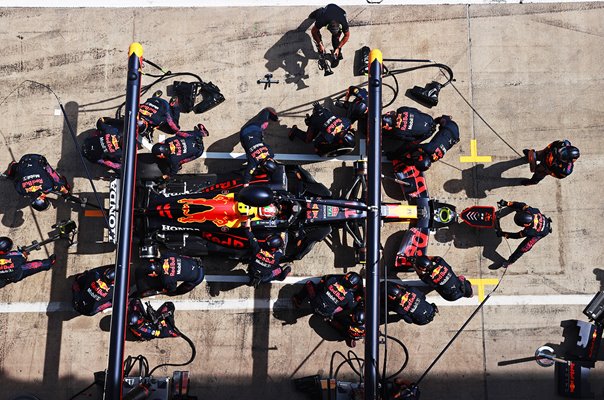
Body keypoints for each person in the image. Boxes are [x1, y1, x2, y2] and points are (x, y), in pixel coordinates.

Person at [494, 200, 552, 269]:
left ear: (525, 225)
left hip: (542, 232)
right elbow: (521, 205)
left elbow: (517, 236)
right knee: (519, 207)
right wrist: (507, 203)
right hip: (542, 219)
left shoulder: (529, 231)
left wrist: (503, 234)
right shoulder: (532, 210)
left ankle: (510, 262)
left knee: (524, 248)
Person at [3, 154, 71, 211]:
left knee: (60, 182)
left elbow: (61, 188)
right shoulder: (21, 191)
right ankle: (13, 166)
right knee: (14, 174)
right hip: (24, 160)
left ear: (42, 197)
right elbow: (16, 179)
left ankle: (14, 167)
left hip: (37, 159)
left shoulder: (48, 186)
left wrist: (66, 193)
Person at [289, 102, 355, 157]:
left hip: (325, 111)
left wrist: (352, 130)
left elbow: (351, 126)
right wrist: (317, 149)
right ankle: (294, 131)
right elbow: (317, 142)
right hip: (315, 119)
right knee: (307, 139)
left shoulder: (346, 123)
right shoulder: (328, 137)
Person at [292, 272, 364, 320]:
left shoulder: (332, 279)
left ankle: (298, 299)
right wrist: (358, 299)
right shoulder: (349, 297)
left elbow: (323, 279)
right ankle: (331, 318)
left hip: (314, 303)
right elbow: (350, 307)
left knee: (309, 283)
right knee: (343, 308)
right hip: (325, 313)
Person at [244, 219, 290, 287]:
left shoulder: (257, 248)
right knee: (281, 269)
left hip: (253, 270)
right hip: (264, 276)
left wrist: (248, 218)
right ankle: (279, 278)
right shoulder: (278, 255)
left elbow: (247, 230)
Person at [239, 107, 279, 185]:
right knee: (247, 148)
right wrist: (246, 184)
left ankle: (266, 112)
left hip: (255, 130)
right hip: (244, 132)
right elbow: (248, 174)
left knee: (264, 123)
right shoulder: (253, 162)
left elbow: (264, 144)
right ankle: (267, 110)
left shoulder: (270, 153)